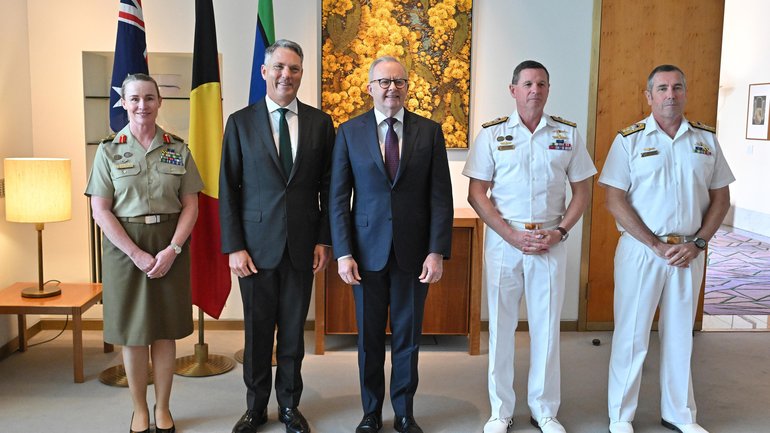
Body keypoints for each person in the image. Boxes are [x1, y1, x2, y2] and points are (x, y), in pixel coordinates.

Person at [600, 65, 735, 433]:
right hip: (642, 251)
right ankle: (621, 415)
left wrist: (699, 242)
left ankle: (680, 414)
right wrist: (654, 244)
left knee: (679, 336)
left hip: (689, 252)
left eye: (677, 87)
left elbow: (721, 199)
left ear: (685, 93)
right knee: (632, 336)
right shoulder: (629, 140)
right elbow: (614, 200)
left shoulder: (706, 140)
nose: (670, 95)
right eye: (662, 88)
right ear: (649, 96)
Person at [463, 60, 596, 433]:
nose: (534, 90)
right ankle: (500, 411)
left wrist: (562, 231)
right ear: (513, 90)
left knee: (547, 329)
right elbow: (477, 193)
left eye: (541, 84)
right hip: (506, 242)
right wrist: (510, 234)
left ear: (548, 90)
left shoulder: (567, 134)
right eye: (527, 84)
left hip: (550, 240)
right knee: (501, 328)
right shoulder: (492, 134)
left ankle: (544, 410)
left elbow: (582, 191)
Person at [329, 56, 454, 433]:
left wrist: (436, 251)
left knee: (408, 339)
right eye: (384, 82)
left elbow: (440, 198)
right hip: (365, 255)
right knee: (368, 340)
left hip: (413, 255)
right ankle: (370, 412)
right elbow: (338, 198)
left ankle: (403, 413)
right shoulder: (349, 132)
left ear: (407, 88)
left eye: (399, 82)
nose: (391, 88)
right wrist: (343, 252)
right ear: (370, 88)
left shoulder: (429, 132)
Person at [219, 39, 335, 433]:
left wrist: (324, 239)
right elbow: (228, 187)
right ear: (264, 71)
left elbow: (328, 187)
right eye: (280, 67)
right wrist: (234, 246)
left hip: (302, 247)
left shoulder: (320, 123)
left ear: (302, 74)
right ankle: (255, 408)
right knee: (256, 334)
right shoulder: (240, 122)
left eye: (294, 69)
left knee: (292, 334)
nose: (287, 75)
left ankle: (289, 406)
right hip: (254, 249)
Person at [86, 73, 203, 433]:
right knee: (134, 334)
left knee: (165, 331)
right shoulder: (109, 150)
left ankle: (163, 407)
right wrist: (136, 253)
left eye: (149, 98)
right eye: (134, 99)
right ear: (123, 103)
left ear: (159, 102)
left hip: (170, 245)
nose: (142, 105)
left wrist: (173, 249)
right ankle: (139, 409)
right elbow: (100, 210)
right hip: (125, 248)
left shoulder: (178, 148)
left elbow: (191, 205)